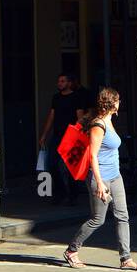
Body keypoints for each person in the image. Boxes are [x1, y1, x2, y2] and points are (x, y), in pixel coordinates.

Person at [64, 86, 137, 271]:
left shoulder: (109, 121)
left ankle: (126, 259)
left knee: (122, 216)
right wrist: (100, 183)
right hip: (99, 178)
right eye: (117, 100)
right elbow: (93, 156)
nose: (120, 102)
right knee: (97, 219)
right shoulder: (98, 125)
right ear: (112, 103)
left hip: (115, 176)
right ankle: (71, 251)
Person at [39, 73, 90, 205]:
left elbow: (80, 117)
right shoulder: (56, 98)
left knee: (70, 166)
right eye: (59, 81)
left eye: (62, 81)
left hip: (71, 136)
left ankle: (73, 195)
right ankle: (60, 193)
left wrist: (80, 134)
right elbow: (51, 117)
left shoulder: (76, 97)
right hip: (57, 135)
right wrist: (44, 135)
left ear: (69, 83)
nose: (59, 83)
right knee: (52, 164)